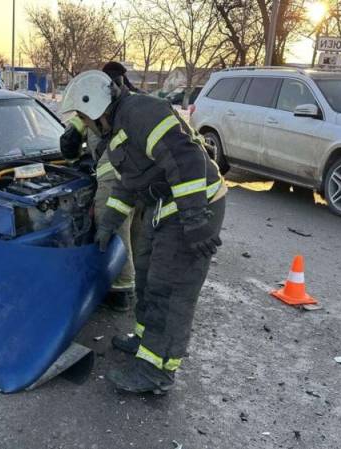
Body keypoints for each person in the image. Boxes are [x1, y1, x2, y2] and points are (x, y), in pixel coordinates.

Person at [60, 71, 227, 395]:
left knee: (171, 289)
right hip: (165, 206)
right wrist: (109, 222)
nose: (84, 125)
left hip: (193, 205)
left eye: (83, 117)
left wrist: (194, 217)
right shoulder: (119, 126)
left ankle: (157, 371)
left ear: (94, 107)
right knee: (148, 278)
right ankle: (145, 342)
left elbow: (186, 158)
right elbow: (130, 182)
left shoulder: (140, 113)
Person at [59, 61, 141, 312]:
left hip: (116, 173)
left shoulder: (127, 105)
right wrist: (73, 138)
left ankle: (120, 289)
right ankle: (132, 280)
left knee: (112, 223)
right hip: (136, 175)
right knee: (130, 228)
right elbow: (71, 140)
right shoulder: (98, 105)